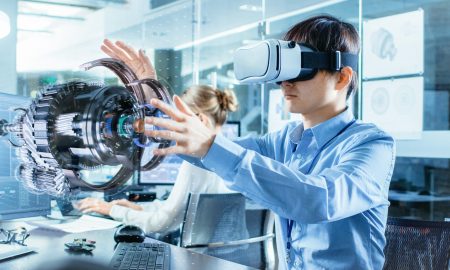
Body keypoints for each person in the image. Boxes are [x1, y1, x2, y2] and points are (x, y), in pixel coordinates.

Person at [136, 15, 396, 269]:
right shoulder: (282, 142)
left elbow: (319, 200)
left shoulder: (372, 144)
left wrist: (210, 145)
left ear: (342, 77)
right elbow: (203, 152)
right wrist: (153, 106)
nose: (285, 82)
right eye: (284, 69)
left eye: (301, 68)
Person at [76, 40, 239, 234]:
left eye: (177, 118)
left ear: (200, 120)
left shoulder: (198, 163)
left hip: (199, 261)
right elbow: (177, 210)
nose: (171, 125)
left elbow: (161, 224)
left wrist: (111, 209)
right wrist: (140, 208)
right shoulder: (230, 156)